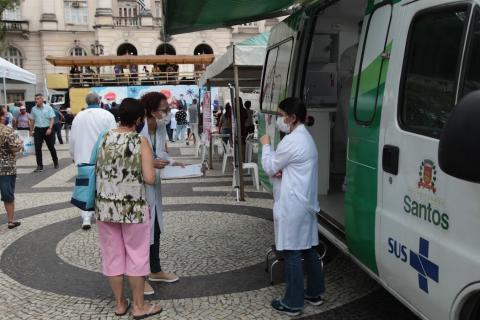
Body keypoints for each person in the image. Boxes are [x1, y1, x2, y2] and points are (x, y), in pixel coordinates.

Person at [95, 98, 162, 319]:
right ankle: (139, 307)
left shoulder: (105, 137)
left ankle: (120, 303)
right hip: (133, 208)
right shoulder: (140, 140)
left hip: (105, 207)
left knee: (112, 255)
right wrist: (151, 163)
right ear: (138, 119)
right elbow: (150, 179)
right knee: (136, 255)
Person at [260, 97, 325, 317]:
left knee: (292, 251)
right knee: (309, 247)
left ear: (292, 117)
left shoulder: (291, 141)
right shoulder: (306, 138)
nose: (279, 119)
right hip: (305, 202)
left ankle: (293, 302)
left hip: (294, 203)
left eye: (280, 115)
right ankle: (314, 293)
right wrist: (283, 170)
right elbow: (291, 167)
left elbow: (270, 166)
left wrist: (266, 145)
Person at [140, 92, 181, 294]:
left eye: (168, 109)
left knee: (155, 228)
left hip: (153, 187)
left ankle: (155, 269)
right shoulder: (138, 127)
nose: (168, 113)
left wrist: (175, 163)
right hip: (138, 188)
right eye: (164, 109)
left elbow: (161, 153)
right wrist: (149, 163)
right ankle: (140, 277)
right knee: (140, 232)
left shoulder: (161, 126)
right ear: (151, 110)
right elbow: (130, 158)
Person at [70, 92, 117, 230]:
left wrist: (73, 154)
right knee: (104, 185)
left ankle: (86, 217)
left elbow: (72, 137)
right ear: (99, 100)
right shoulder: (107, 115)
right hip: (102, 157)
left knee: (85, 187)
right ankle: (105, 213)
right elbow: (113, 136)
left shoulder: (78, 116)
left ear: (86, 101)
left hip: (83, 157)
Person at [0, 109, 23, 229]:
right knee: (7, 195)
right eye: (4, 114)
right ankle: (10, 221)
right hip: (5, 168)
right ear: (1, 117)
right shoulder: (6, 130)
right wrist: (20, 144)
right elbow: (14, 148)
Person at [29, 93, 59, 172]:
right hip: (38, 130)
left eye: (38, 99)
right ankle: (39, 165)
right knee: (37, 148)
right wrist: (31, 130)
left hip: (47, 129)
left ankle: (55, 161)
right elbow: (32, 120)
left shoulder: (48, 108)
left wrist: (50, 128)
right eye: (35, 99)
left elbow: (52, 119)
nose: (36, 100)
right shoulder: (33, 109)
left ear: (42, 99)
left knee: (51, 147)